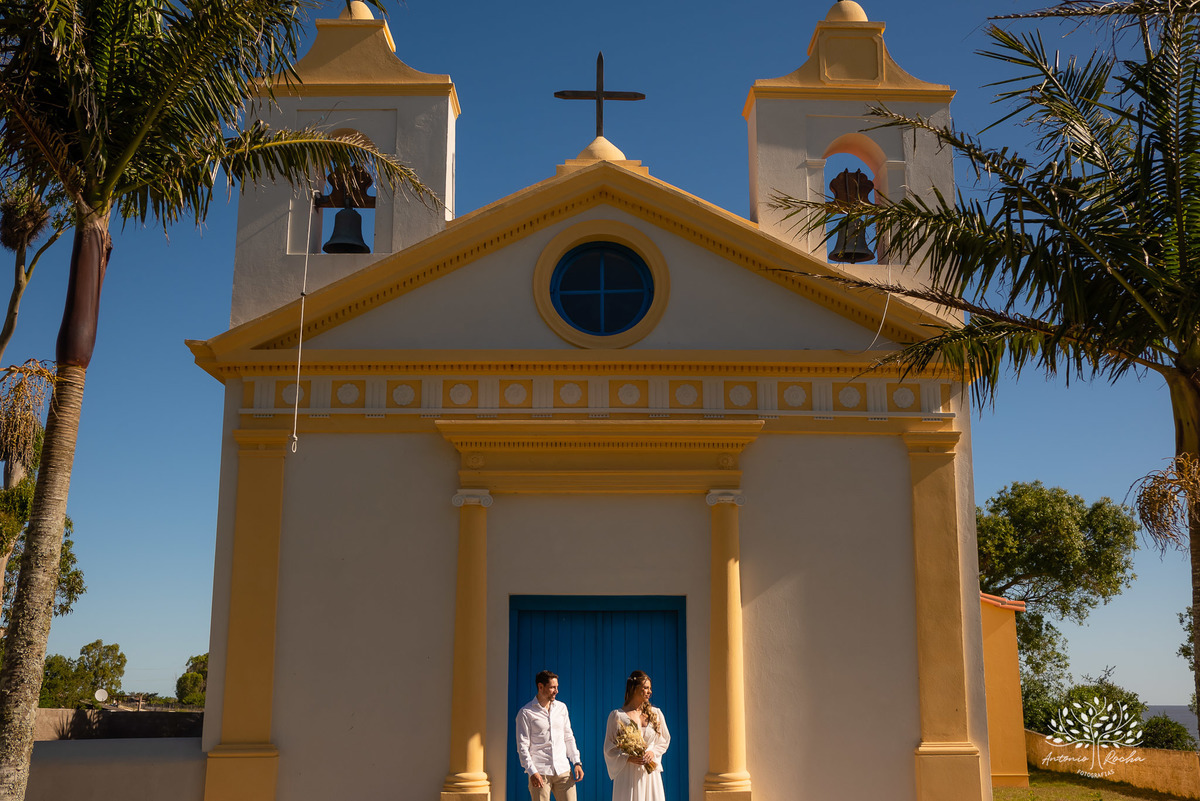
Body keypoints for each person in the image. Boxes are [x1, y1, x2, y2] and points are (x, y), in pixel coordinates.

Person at [515, 670, 585, 801]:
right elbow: (522, 746)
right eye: (552, 687)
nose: (556, 691)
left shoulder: (561, 708)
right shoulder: (526, 713)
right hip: (540, 772)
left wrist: (576, 762)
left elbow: (568, 737)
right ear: (540, 687)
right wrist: (532, 772)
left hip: (563, 770)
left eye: (557, 687)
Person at [604, 670, 671, 801]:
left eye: (650, 688)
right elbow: (609, 748)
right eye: (645, 688)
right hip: (627, 774)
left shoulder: (656, 713)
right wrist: (628, 757)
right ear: (634, 688)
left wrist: (652, 752)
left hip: (650, 773)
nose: (649, 691)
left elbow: (664, 739)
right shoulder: (617, 716)